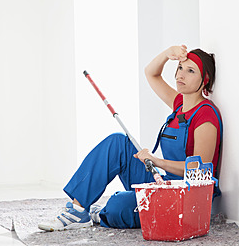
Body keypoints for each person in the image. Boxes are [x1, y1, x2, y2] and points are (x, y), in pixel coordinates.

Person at [38, 45, 222, 231]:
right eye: (181, 68)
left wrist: (157, 162)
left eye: (190, 71)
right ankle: (78, 211)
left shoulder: (205, 115)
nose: (180, 75)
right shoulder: (179, 104)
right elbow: (151, 73)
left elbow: (199, 170)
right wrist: (168, 54)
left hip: (185, 196)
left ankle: (100, 213)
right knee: (117, 142)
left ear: (204, 80)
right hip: (164, 181)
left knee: (118, 205)